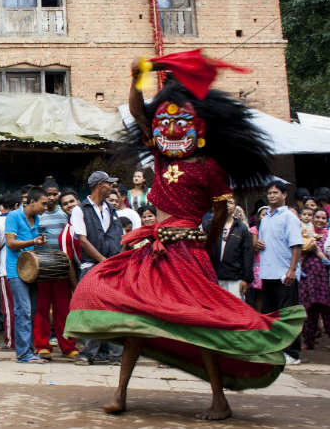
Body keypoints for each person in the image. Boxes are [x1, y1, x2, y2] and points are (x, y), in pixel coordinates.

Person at [65, 57, 304, 420]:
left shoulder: (210, 167)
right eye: (167, 121)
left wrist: (205, 244)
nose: (172, 128)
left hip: (188, 253)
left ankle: (219, 399)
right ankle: (120, 394)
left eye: (181, 121)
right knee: (133, 320)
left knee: (200, 323)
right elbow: (140, 115)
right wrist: (137, 78)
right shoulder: (161, 155)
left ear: (200, 126)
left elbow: (222, 211)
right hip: (155, 252)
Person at [70, 171, 123, 366]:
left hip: (112, 265)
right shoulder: (80, 210)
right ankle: (88, 353)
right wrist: (102, 260)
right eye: (109, 184)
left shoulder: (111, 209)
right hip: (93, 266)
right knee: (92, 309)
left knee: (115, 309)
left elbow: (118, 237)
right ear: (100, 185)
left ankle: (116, 354)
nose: (111, 187)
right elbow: (82, 240)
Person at [257, 180, 304, 364]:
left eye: (275, 193)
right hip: (268, 273)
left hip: (285, 274)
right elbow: (262, 243)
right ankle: (273, 349)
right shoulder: (265, 217)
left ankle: (292, 353)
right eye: (269, 193)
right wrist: (256, 243)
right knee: (270, 314)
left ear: (284, 195)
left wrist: (292, 270)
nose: (272, 196)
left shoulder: (289, 217)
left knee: (288, 314)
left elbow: (297, 245)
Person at [34, 179, 78, 360]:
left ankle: (68, 346)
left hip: (62, 269)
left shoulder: (66, 215)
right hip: (42, 269)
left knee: (63, 309)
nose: (51, 198)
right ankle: (42, 346)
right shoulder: (38, 215)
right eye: (48, 194)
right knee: (42, 308)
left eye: (55, 194)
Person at [5, 186, 49, 363]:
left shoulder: (37, 219)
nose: (45, 207)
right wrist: (33, 241)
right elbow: (10, 243)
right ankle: (23, 354)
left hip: (31, 270)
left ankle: (29, 351)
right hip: (15, 270)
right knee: (23, 311)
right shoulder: (14, 216)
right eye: (43, 204)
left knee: (30, 312)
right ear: (32, 201)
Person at [0, 192, 20, 351]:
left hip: (6, 270)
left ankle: (10, 342)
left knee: (8, 308)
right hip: (25, 269)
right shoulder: (23, 219)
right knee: (22, 307)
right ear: (16, 206)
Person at [210, 198, 253, 299]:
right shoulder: (212, 227)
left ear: (235, 207)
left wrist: (245, 279)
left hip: (236, 279)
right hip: (216, 279)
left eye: (230, 202)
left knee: (237, 311)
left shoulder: (241, 228)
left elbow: (247, 254)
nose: (227, 205)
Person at [300, 209, 330, 349]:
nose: (319, 220)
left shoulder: (328, 235)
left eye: (323, 218)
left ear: (327, 221)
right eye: (317, 217)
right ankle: (308, 341)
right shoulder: (305, 232)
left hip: (325, 279)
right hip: (309, 278)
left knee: (327, 311)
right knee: (309, 311)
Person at [247, 206, 269, 312]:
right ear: (258, 217)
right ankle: (259, 316)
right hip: (258, 265)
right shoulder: (255, 229)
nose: (265, 217)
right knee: (259, 294)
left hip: (270, 265)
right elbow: (255, 247)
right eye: (263, 215)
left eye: (268, 214)